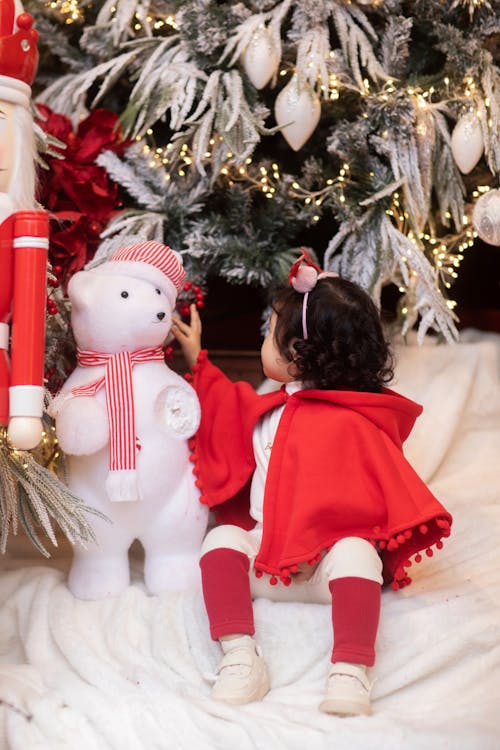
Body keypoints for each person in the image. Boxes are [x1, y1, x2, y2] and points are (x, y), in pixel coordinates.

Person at [172, 250, 452, 716]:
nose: (262, 338)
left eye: (267, 333)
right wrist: (197, 359)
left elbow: (381, 489)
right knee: (220, 541)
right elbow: (227, 407)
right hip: (266, 560)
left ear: (296, 357)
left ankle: (350, 668)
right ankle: (241, 654)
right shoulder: (273, 408)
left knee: (358, 553)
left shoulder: (354, 423)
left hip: (325, 571)